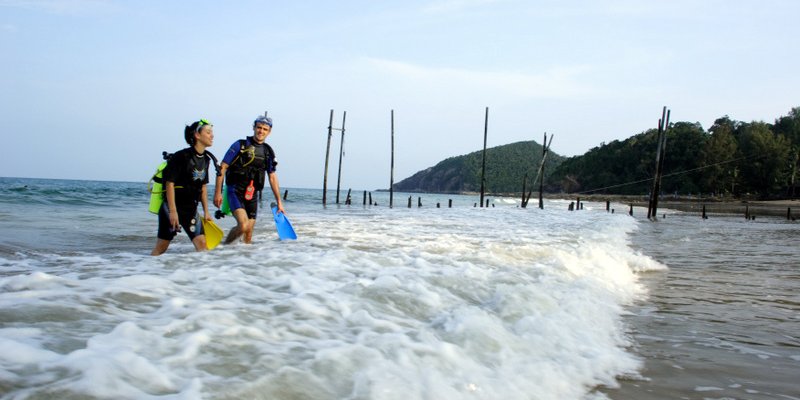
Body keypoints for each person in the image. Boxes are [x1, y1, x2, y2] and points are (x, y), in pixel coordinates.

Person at [214, 115, 285, 244]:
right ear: (254, 127)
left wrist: (279, 201)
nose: (261, 131)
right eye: (259, 127)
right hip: (235, 191)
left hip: (252, 195)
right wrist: (217, 192)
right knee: (243, 225)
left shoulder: (268, 151)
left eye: (265, 129)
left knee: (248, 234)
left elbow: (272, 177)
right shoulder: (240, 145)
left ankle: (243, 259)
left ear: (269, 132)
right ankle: (222, 251)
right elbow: (222, 168)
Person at [151, 119, 217, 256]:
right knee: (161, 248)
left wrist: (206, 211)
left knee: (202, 246)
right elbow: (169, 183)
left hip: (190, 209)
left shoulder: (206, 160)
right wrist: (173, 212)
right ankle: (145, 272)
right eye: (208, 132)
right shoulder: (181, 156)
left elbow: (203, 187)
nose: (212, 136)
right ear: (197, 135)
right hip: (172, 208)